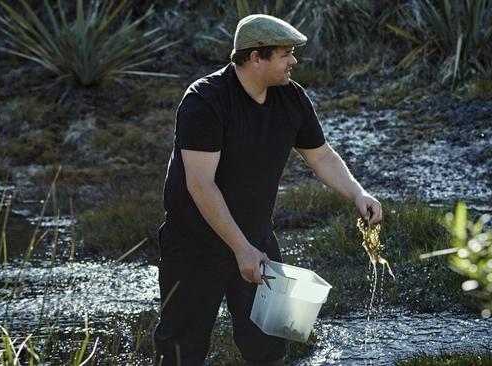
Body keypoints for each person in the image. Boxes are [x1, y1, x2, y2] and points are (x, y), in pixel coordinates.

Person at [153, 14, 382, 366]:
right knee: (181, 350)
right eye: (285, 53)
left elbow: (320, 156)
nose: (294, 61)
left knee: (270, 345)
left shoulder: (291, 98)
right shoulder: (205, 100)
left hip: (256, 242)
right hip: (193, 247)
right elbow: (200, 184)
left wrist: (357, 193)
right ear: (255, 56)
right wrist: (240, 248)